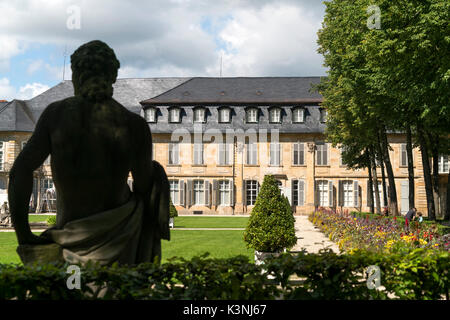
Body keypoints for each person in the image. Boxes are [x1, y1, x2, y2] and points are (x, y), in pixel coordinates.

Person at [8, 40, 170, 266]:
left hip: (67, 240)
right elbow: (144, 189)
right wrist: (157, 175)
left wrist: (24, 234)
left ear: (76, 75)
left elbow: (20, 172)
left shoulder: (56, 116)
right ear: (112, 77)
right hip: (120, 242)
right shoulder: (134, 125)